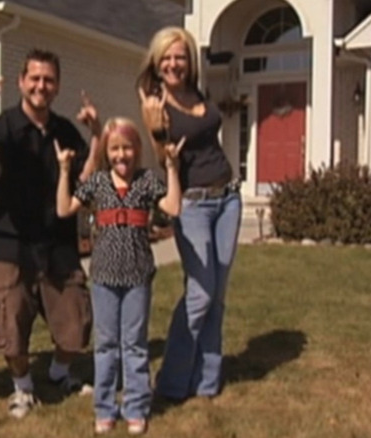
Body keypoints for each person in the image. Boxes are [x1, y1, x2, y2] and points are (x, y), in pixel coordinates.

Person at [0, 48, 101, 419]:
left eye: (48, 80)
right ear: (21, 82)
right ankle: (23, 387)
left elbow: (84, 182)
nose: (41, 86)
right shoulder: (3, 127)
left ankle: (60, 372)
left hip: (56, 240)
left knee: (77, 320)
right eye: (35, 78)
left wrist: (96, 134)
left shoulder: (64, 131)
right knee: (9, 314)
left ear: (57, 86)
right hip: (6, 240)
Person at [55, 117, 183, 434]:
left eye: (127, 148)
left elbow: (174, 207)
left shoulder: (146, 180)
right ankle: (105, 408)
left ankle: (136, 406)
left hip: (137, 275)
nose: (121, 155)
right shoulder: (98, 183)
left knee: (135, 345)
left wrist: (172, 168)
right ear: (107, 153)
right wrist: (63, 171)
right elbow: (63, 209)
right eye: (114, 149)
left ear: (136, 150)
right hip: (104, 277)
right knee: (106, 345)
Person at [137, 26, 242, 402]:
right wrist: (160, 135)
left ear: (190, 60)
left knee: (218, 294)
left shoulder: (200, 92)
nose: (173, 63)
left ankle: (208, 382)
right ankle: (172, 381)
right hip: (193, 204)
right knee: (200, 294)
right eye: (166, 57)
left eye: (180, 56)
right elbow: (160, 158)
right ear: (156, 61)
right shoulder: (154, 104)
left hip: (228, 198)